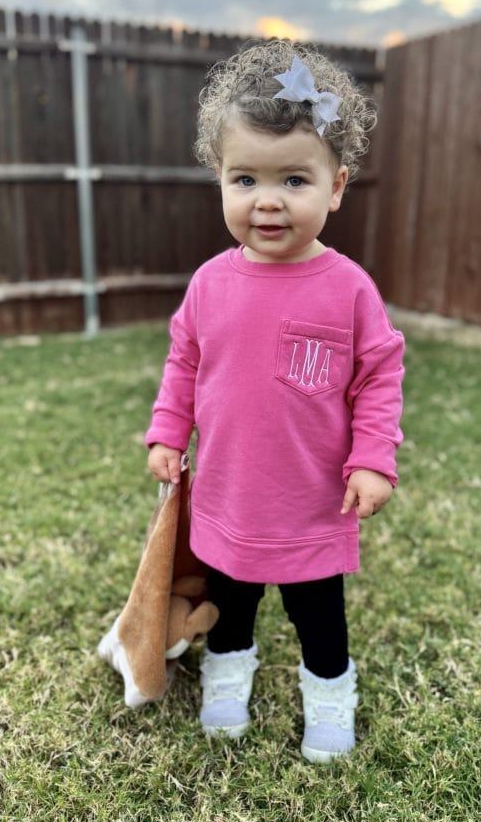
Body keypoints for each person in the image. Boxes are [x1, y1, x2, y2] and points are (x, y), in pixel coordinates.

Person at [145, 39, 404, 763]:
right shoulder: (209, 284)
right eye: (244, 179)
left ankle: (330, 697)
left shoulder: (348, 288)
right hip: (230, 492)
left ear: (338, 185)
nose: (267, 200)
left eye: (294, 179)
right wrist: (168, 432)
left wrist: (373, 457)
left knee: (319, 612)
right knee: (231, 602)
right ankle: (228, 681)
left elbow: (380, 374)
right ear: (220, 181)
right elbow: (184, 360)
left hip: (314, 500)